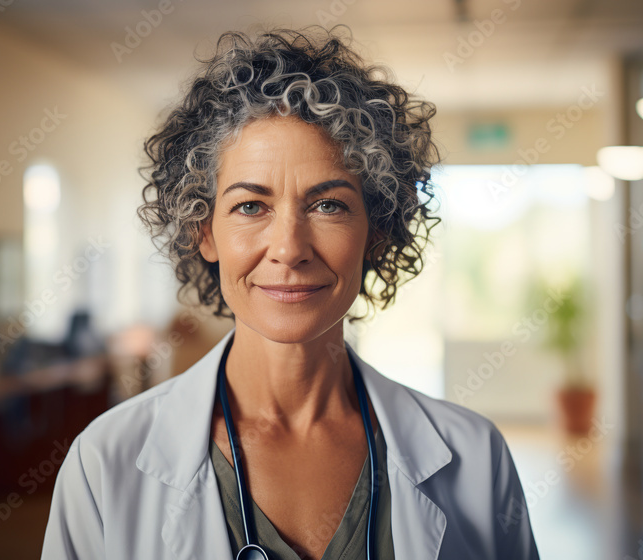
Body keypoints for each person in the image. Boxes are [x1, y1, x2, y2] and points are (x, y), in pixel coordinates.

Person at [41, 25, 539, 559]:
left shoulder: (475, 456)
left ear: (377, 231)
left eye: (329, 205)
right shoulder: (104, 461)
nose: (289, 248)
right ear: (203, 232)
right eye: (251, 206)